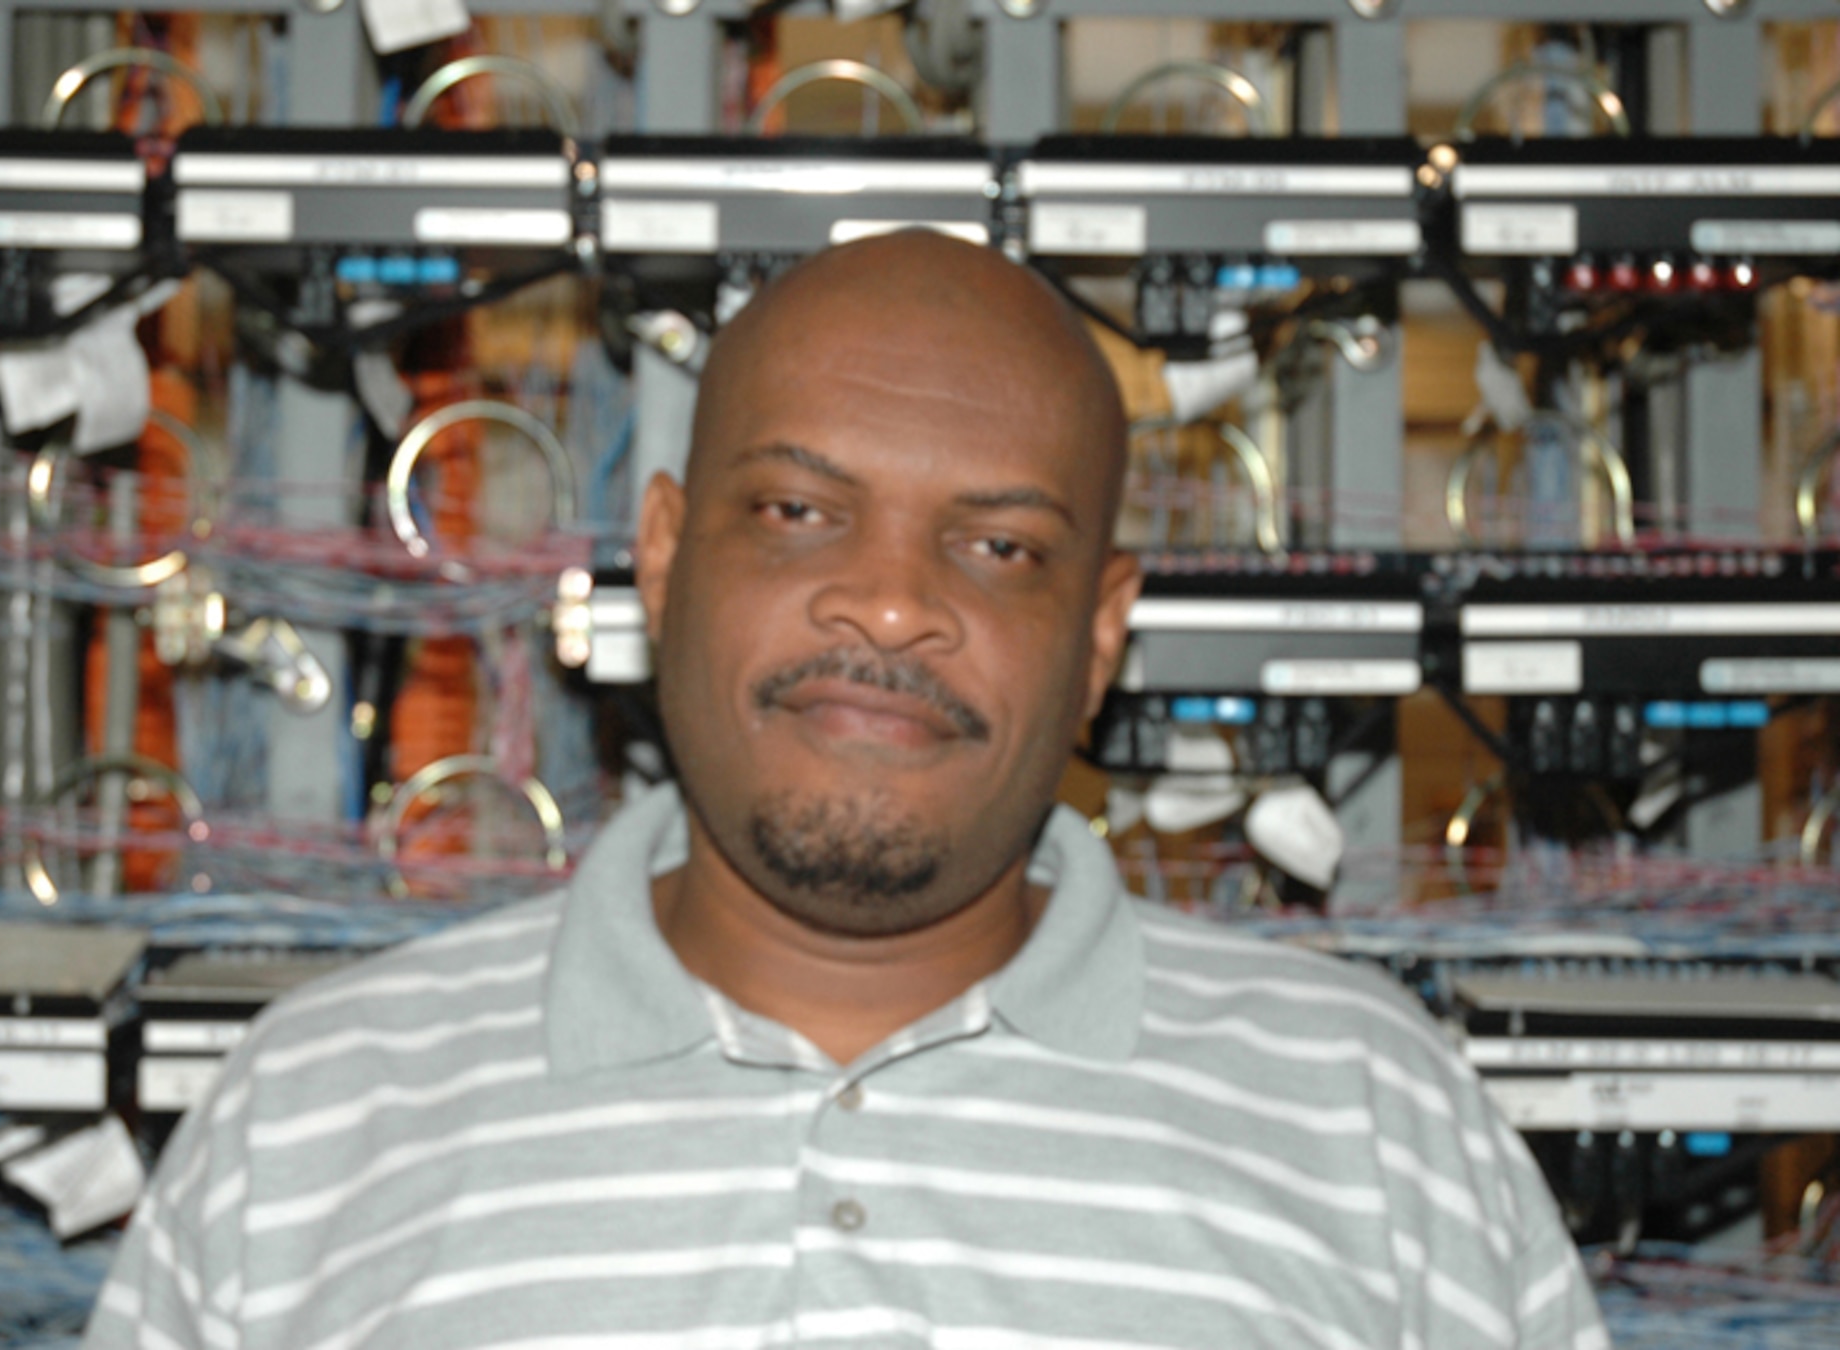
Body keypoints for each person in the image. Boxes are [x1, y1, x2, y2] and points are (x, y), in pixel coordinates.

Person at [84, 232, 1608, 1349]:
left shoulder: (1372, 1119)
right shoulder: (316, 1115)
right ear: (664, 557)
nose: (889, 604)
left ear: (1098, 634)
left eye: (998, 545)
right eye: (801, 511)